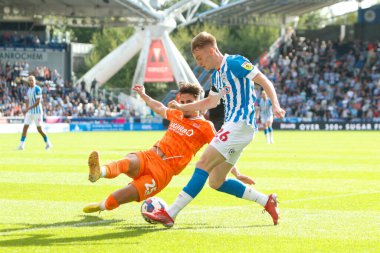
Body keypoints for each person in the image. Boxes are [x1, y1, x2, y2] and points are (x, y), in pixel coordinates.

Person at [144, 31, 286, 227]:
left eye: (200, 58)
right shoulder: (217, 76)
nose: (199, 62)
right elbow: (210, 102)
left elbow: (264, 81)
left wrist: (276, 105)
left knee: (202, 163)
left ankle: (170, 213)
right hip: (234, 126)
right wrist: (182, 107)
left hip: (241, 123)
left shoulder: (235, 63)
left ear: (211, 50)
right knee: (216, 181)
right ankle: (266, 200)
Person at [83, 83, 254, 214]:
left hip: (163, 173)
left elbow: (221, 150)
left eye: (190, 102)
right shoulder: (177, 114)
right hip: (150, 155)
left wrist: (236, 173)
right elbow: (159, 107)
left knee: (123, 195)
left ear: (198, 103)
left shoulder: (205, 126)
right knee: (127, 161)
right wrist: (143, 95)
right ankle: (100, 171)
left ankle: (101, 206)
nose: (185, 105)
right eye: (183, 101)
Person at [18, 75, 52, 150]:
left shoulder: (38, 89)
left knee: (39, 129)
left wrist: (28, 108)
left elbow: (37, 102)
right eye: (29, 80)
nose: (30, 81)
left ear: (35, 81)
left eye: (32, 80)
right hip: (30, 112)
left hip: (37, 112)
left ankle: (48, 143)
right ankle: (21, 145)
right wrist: (26, 109)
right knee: (25, 127)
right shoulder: (28, 90)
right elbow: (27, 100)